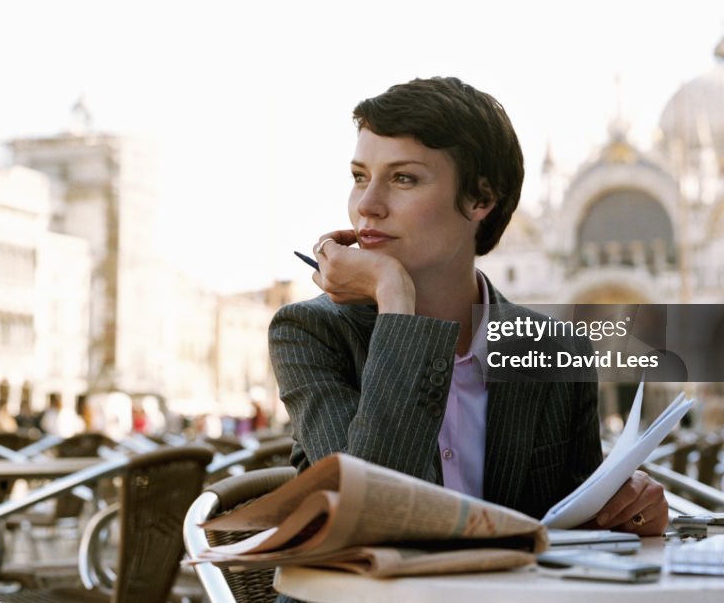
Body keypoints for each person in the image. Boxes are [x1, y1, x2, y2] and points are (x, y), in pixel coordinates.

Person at [270, 77, 667, 536]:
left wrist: (628, 510)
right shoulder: (309, 332)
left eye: (403, 178)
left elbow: (575, 526)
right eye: (360, 177)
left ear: (481, 198)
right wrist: (394, 295)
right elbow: (372, 515)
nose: (367, 206)